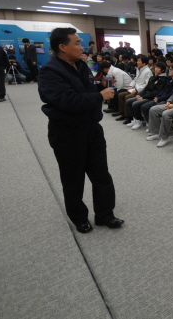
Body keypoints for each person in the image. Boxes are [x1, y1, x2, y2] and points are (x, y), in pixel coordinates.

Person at [37, 27, 123, 233]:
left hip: (92, 129)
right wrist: (100, 96)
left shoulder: (82, 65)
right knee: (73, 179)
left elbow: (86, 89)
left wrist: (100, 86)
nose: (82, 46)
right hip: (67, 133)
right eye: (77, 43)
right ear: (62, 47)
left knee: (101, 175)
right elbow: (67, 100)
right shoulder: (50, 71)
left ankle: (105, 214)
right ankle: (79, 218)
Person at [113, 54, 152, 120]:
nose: (137, 62)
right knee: (120, 95)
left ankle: (128, 116)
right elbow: (135, 79)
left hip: (141, 91)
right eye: (137, 61)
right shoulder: (139, 69)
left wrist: (137, 90)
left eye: (139, 61)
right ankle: (122, 113)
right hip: (134, 89)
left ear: (144, 63)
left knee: (127, 97)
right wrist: (131, 86)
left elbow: (147, 85)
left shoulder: (148, 71)